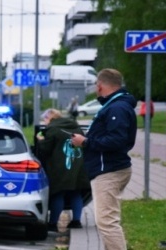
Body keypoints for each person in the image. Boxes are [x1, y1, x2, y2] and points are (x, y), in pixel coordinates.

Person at [70, 68, 137, 250]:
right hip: (109, 167)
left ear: (100, 86)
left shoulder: (117, 107)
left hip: (109, 170)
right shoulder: (115, 105)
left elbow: (116, 140)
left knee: (107, 222)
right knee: (108, 220)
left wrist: (85, 142)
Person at [36, 108, 90, 233]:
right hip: (77, 165)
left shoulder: (52, 130)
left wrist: (40, 140)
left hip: (59, 167)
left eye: (45, 119)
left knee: (58, 193)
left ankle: (53, 223)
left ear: (50, 118)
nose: (44, 122)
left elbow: (46, 149)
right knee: (76, 193)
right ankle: (76, 221)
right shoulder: (76, 127)